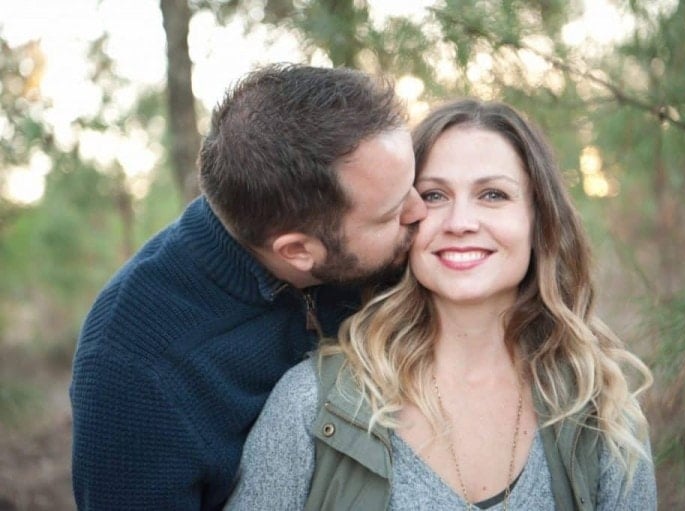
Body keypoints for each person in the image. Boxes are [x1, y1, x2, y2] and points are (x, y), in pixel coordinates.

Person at [225, 99, 657, 510]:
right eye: (434, 195)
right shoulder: (313, 404)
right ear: (402, 216)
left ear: (539, 220)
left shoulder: (602, 409)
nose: (460, 223)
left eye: (493, 195)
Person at [69, 64, 426, 510]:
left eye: (414, 184)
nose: (421, 211)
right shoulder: (135, 369)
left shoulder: (384, 249)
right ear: (298, 251)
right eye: (391, 213)